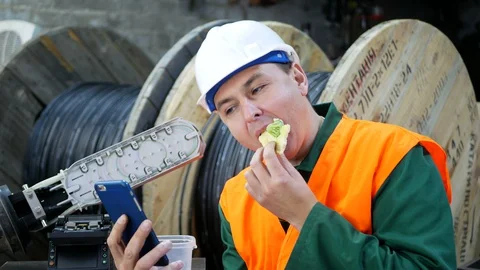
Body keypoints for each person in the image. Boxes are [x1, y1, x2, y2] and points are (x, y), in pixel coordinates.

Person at [106, 20, 456, 269]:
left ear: (299, 78)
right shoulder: (235, 199)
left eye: (257, 89)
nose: (251, 113)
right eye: (229, 108)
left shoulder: (396, 156)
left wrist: (305, 215)